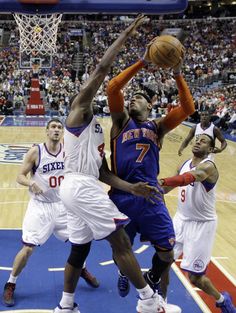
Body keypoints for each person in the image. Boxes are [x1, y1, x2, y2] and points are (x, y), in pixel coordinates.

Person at [54, 16, 166, 313]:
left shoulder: (97, 129)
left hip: (78, 186)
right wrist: (128, 33)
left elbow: (103, 172)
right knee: (121, 243)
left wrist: (132, 188)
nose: (92, 91)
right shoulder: (78, 110)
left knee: (80, 250)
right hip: (79, 186)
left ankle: (65, 306)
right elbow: (103, 69)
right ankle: (148, 300)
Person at [106, 44, 195, 313]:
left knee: (167, 253)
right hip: (123, 196)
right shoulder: (121, 121)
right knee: (121, 250)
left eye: (138, 97)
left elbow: (188, 108)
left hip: (151, 197)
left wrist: (178, 73)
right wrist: (142, 61)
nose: (132, 99)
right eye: (131, 97)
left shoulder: (158, 127)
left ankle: (152, 278)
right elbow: (113, 88)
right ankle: (126, 273)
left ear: (150, 104)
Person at [2, 118, 99, 307]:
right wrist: (31, 183)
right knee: (28, 248)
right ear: (46, 131)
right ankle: (10, 283)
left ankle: (82, 268)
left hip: (63, 205)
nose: (56, 130)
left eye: (59, 128)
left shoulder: (67, 151)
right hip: (41, 207)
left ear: (62, 132)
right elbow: (20, 176)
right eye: (53, 127)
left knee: (79, 242)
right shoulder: (35, 151)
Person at [158, 133, 236, 313]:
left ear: (210, 149)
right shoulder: (184, 163)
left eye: (203, 141)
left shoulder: (209, 167)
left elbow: (195, 175)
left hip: (202, 225)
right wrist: (151, 189)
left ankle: (222, 300)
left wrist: (163, 181)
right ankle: (161, 303)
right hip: (181, 220)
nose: (197, 142)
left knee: (195, 278)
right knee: (162, 262)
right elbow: (167, 188)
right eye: (196, 139)